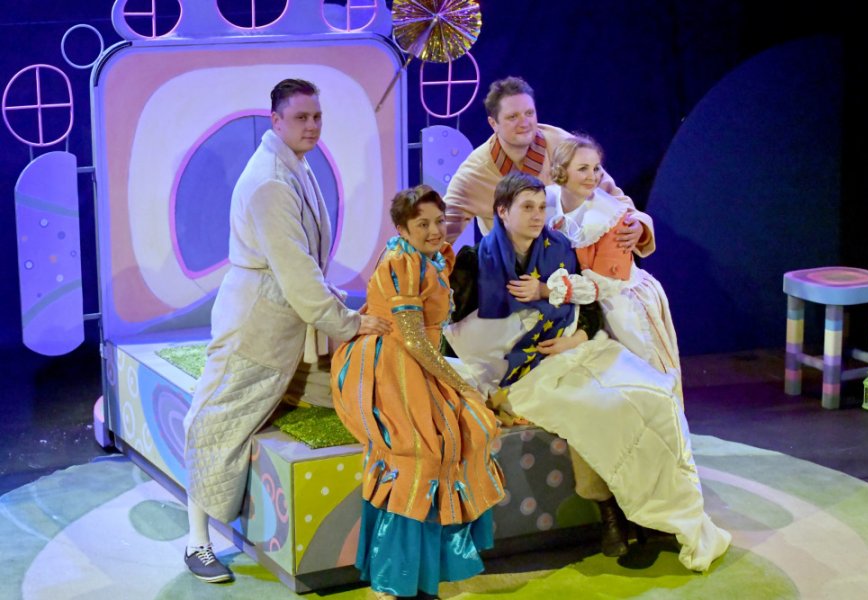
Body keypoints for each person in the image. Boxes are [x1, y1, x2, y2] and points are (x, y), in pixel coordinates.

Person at [444, 172, 730, 571]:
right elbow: (453, 335)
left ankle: (662, 516)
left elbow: (589, 307)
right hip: (526, 374)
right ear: (502, 212)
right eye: (527, 208)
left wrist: (575, 338)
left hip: (578, 350)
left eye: (541, 207)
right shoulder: (475, 261)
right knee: (600, 409)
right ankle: (611, 510)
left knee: (654, 395)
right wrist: (486, 380)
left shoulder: (560, 247)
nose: (537, 215)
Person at [181, 79, 391, 583]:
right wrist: (348, 323)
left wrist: (340, 311)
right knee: (214, 420)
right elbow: (297, 272)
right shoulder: (270, 180)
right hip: (256, 324)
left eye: (317, 117)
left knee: (335, 396)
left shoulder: (295, 164)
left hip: (288, 324)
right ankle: (196, 542)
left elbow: (305, 267)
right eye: (301, 118)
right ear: (276, 120)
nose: (312, 126)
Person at [331, 185, 505, 600]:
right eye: (422, 224)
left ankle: (431, 569)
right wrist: (460, 384)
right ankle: (393, 579)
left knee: (472, 431)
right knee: (420, 456)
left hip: (417, 358)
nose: (434, 230)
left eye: (438, 221)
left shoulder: (432, 256)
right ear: (402, 229)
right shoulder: (400, 261)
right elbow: (411, 338)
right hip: (388, 364)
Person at [442, 76, 654, 263]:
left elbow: (610, 193)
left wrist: (638, 224)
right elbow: (439, 232)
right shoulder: (474, 173)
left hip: (576, 264)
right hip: (510, 274)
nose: (524, 123)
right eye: (513, 117)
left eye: (529, 113)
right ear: (493, 123)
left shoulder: (563, 145)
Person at [546, 134, 683, 400]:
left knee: (645, 378)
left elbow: (604, 285)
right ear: (562, 171)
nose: (592, 176)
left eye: (596, 168)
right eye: (583, 168)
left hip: (622, 304)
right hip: (584, 306)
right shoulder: (549, 201)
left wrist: (547, 290)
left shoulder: (609, 217)